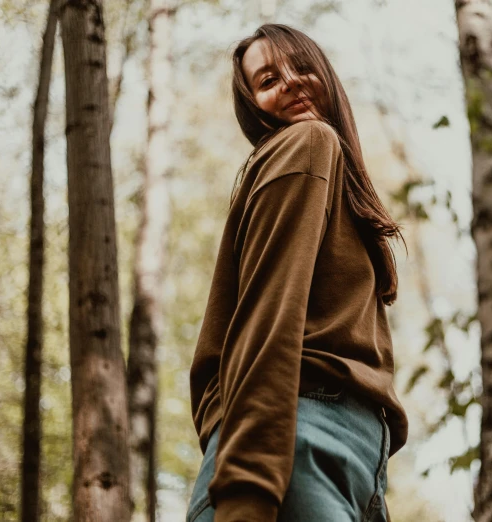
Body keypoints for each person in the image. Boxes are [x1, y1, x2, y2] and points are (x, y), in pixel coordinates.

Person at [186, 23, 409, 522]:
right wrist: (248, 486)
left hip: (345, 460)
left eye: (300, 67)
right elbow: (267, 315)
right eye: (267, 81)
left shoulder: (329, 172)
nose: (288, 82)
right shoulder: (306, 143)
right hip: (288, 443)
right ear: (253, 108)